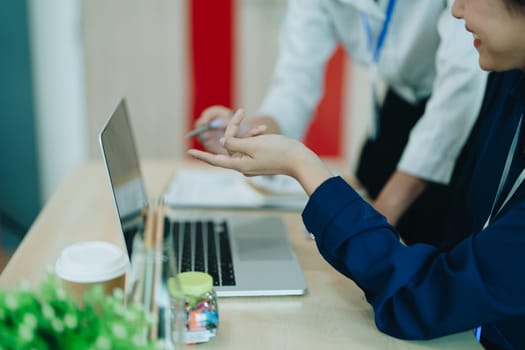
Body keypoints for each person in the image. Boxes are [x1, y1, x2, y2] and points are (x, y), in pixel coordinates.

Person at [188, 0, 525, 348]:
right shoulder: (509, 78)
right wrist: (251, 136)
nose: (456, 8)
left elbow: (424, 294)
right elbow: (295, 82)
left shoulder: (495, 71)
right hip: (400, 111)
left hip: (449, 116)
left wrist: (312, 172)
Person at [193, 0, 488, 246]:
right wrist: (249, 132)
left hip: (469, 104)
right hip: (398, 102)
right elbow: (295, 83)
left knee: (436, 248)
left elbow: (460, 86)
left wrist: (379, 217)